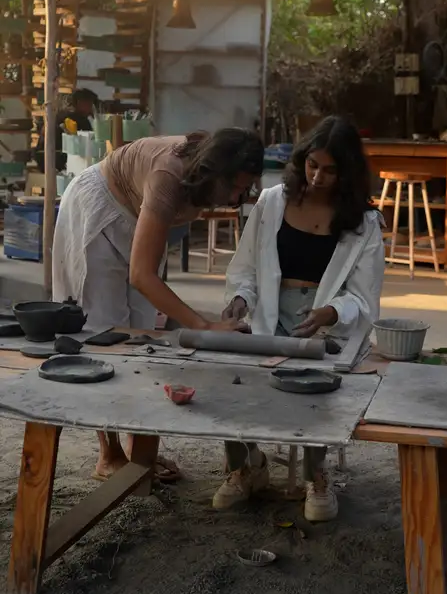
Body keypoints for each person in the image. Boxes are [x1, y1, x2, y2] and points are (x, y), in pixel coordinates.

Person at [52, 128, 264, 480]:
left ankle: (139, 452)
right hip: (98, 207)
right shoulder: (169, 174)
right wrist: (204, 327)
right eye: (234, 187)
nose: (236, 197)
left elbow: (145, 276)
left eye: (244, 188)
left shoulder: (203, 174)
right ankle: (109, 454)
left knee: (142, 335)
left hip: (134, 215)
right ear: (213, 171)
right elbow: (142, 275)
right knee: (103, 335)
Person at [214, 116, 385, 521]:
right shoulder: (272, 202)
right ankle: (247, 467)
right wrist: (239, 299)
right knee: (232, 376)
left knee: (314, 386)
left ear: (347, 172)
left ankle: (316, 475)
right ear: (301, 160)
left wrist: (332, 311)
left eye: (330, 170)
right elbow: (246, 269)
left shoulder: (363, 222)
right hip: (270, 315)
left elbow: (364, 297)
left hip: (324, 322)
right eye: (312, 165)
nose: (318, 177)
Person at [34, 88, 98, 172]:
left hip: (43, 158)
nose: (91, 108)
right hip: (56, 160)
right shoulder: (77, 119)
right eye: (89, 104)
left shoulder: (62, 114)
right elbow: (88, 143)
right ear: (80, 103)